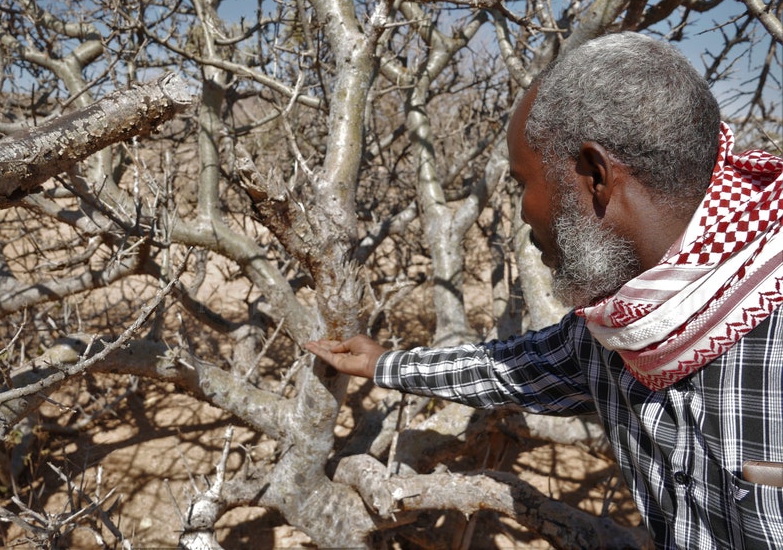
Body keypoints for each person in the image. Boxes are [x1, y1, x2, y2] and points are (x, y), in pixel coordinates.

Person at [306, 32, 783, 549]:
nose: (520, 214)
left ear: (595, 174)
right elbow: (513, 368)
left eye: (521, 184)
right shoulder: (616, 331)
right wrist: (384, 365)